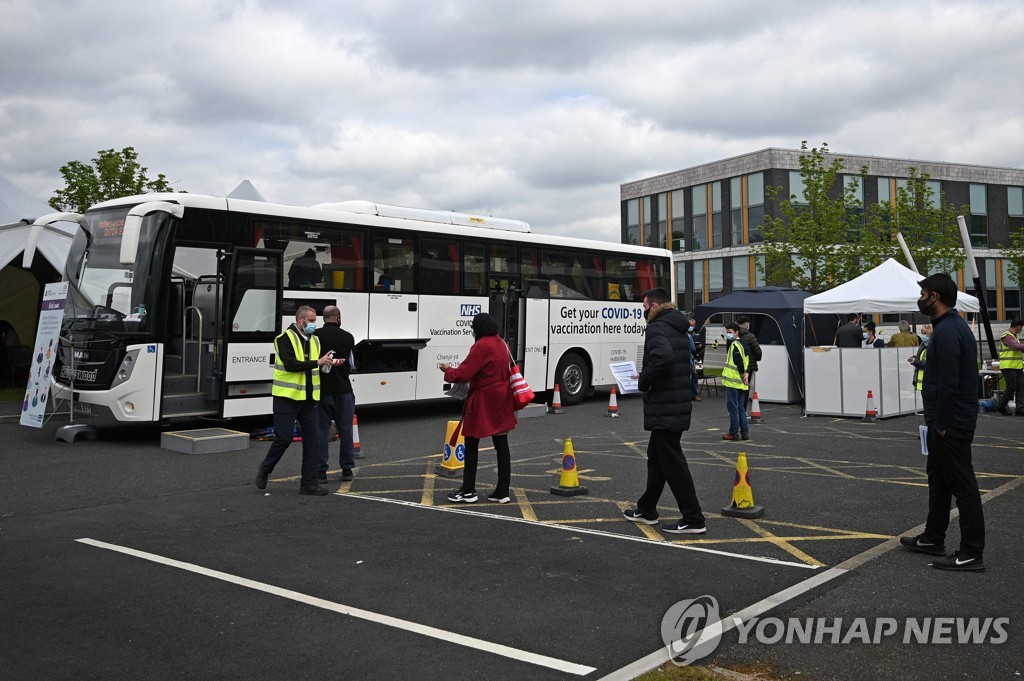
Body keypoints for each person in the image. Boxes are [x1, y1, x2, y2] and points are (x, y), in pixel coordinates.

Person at [900, 273, 984, 572]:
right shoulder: (948, 327)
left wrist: (943, 423)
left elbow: (950, 381)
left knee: (963, 486)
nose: (920, 299)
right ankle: (932, 538)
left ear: (934, 296)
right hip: (943, 420)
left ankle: (971, 553)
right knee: (938, 480)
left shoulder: (948, 331)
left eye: (922, 294)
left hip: (951, 422)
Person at [622, 288, 706, 534]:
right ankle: (646, 508)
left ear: (654, 305)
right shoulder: (677, 326)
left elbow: (663, 359)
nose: (643, 311)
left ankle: (693, 518)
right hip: (676, 401)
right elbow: (671, 361)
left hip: (665, 404)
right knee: (657, 457)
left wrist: (643, 380)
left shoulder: (657, 328)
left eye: (644, 306)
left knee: (672, 461)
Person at [255, 305, 336, 496]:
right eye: (312, 320)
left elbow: (317, 367)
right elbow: (291, 365)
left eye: (315, 320)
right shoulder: (284, 339)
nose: (314, 324)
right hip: (287, 397)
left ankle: (308, 484)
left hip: (308, 399)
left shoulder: (315, 341)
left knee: (313, 440)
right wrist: (318, 362)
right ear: (300, 320)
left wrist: (328, 365)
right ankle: (265, 469)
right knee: (284, 438)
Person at [438, 313, 516, 504]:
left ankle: (468, 490)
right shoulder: (501, 343)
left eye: (473, 327)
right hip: (502, 398)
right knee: (501, 444)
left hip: (483, 399)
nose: (473, 331)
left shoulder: (481, 346)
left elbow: (463, 373)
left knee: (471, 442)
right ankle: (502, 491)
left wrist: (447, 370)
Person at [314, 305, 357, 482]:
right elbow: (352, 364)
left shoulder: (314, 336)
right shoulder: (348, 337)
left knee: (321, 432)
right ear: (338, 317)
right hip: (343, 390)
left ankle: (321, 471)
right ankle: (347, 469)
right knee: (346, 430)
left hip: (322, 391)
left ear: (323, 318)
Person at [721, 322, 750, 441]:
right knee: (741, 408)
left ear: (736, 332)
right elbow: (747, 359)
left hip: (733, 381)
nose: (728, 334)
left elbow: (738, 361)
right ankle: (745, 432)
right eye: (727, 332)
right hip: (741, 382)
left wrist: (743, 373)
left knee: (733, 408)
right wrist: (746, 374)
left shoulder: (735, 345)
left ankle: (733, 433)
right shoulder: (743, 343)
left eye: (730, 332)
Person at [994, 318, 1024, 416]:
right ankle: (1001, 406)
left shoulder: (1014, 337)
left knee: (1021, 387)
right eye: (1021, 327)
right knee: (1012, 387)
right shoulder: (1007, 336)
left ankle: (1019, 409)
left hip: (1017, 367)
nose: (1021, 329)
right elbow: (1016, 346)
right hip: (1007, 366)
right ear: (1019, 326)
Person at [736, 315, 761, 409]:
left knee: (736, 389)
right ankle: (743, 410)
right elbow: (758, 352)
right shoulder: (750, 337)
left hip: (735, 367)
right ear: (746, 325)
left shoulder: (734, 337)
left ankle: (735, 410)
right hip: (748, 368)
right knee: (745, 389)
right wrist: (755, 360)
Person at [907, 324, 932, 393]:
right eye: (922, 333)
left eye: (925, 333)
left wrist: (915, 362)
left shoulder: (933, 346)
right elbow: (922, 357)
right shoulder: (924, 344)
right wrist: (915, 358)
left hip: (929, 382)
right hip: (924, 383)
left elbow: (930, 363)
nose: (923, 336)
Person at [687, 317, 701, 402]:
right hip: (689, 359)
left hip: (690, 358)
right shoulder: (688, 336)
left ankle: (692, 394)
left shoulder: (696, 333)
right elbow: (692, 349)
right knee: (693, 377)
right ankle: (693, 394)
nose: (691, 327)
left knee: (693, 377)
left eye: (692, 325)